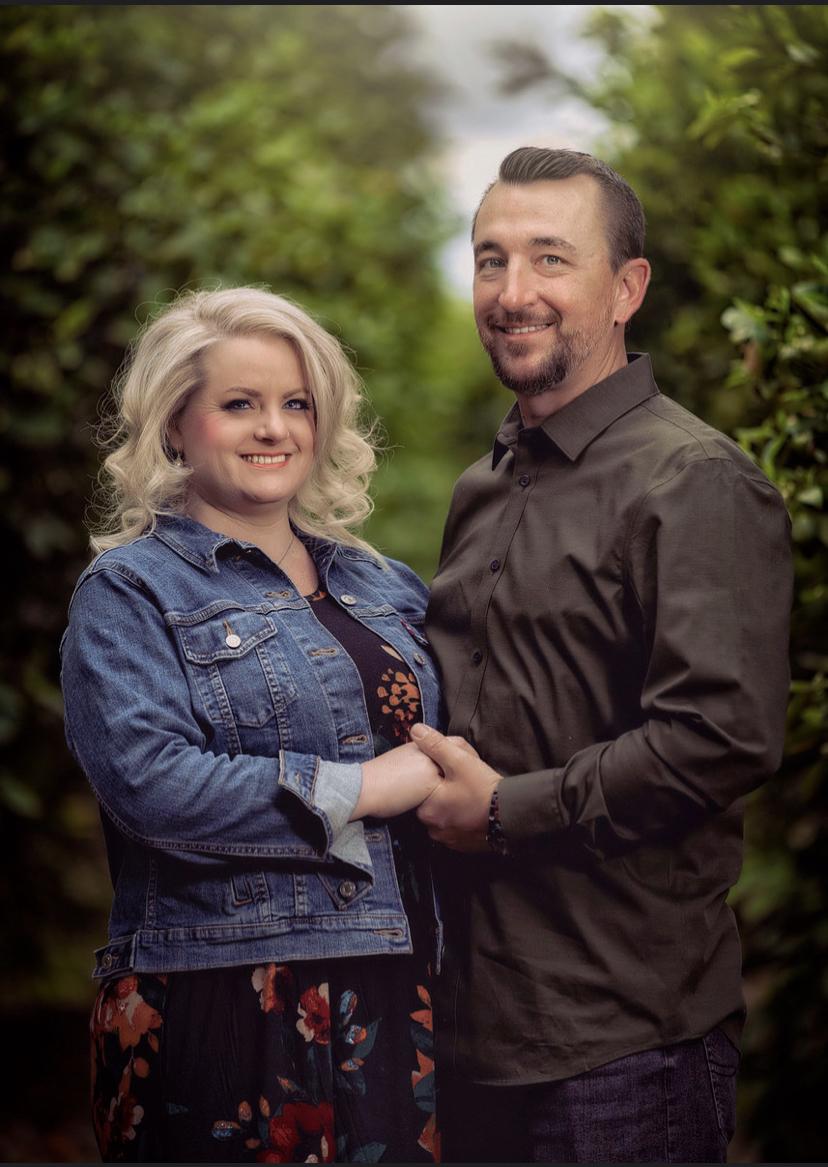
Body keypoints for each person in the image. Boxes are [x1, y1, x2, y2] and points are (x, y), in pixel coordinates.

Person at [410, 147, 793, 1163]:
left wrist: (504, 811)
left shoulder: (693, 481)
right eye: (491, 260)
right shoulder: (482, 487)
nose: (512, 292)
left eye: (550, 259)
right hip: (467, 1033)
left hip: (621, 1051)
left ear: (627, 289)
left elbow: (720, 736)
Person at [60, 286, 446, 1164]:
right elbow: (151, 787)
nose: (275, 428)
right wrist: (359, 787)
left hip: (400, 977)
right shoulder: (130, 592)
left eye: (296, 403)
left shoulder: (383, 585)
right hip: (226, 992)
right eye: (240, 403)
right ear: (176, 424)